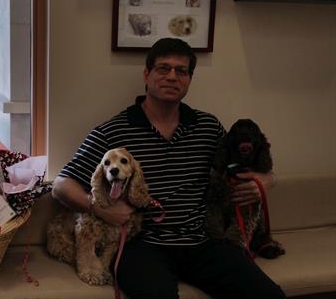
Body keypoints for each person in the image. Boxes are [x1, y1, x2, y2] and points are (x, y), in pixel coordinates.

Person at [52, 38, 286, 299]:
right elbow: (61, 185)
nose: (172, 77)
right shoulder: (113, 131)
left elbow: (250, 165)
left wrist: (267, 180)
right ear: (147, 75)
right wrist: (100, 209)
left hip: (202, 242)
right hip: (140, 246)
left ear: (189, 79)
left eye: (181, 71)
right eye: (163, 68)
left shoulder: (208, 127)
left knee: (269, 296)